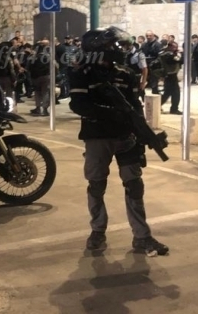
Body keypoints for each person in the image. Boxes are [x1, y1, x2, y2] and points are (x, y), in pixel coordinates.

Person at [69, 26, 169, 256]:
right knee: (97, 185)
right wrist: (111, 113)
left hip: (125, 136)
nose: (119, 50)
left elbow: (134, 105)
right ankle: (98, 230)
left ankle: (142, 237)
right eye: (113, 45)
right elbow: (79, 104)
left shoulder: (125, 73)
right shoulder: (82, 73)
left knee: (134, 185)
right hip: (97, 136)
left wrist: (143, 134)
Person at [158, 41, 182, 115]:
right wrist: (180, 54)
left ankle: (172, 108)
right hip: (170, 75)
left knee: (168, 93)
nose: (176, 48)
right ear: (170, 47)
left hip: (170, 75)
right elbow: (178, 60)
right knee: (175, 93)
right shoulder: (168, 54)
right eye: (174, 47)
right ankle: (174, 109)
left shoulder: (164, 53)